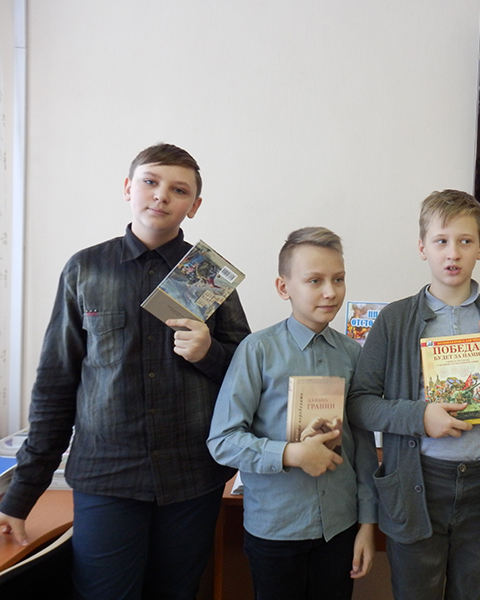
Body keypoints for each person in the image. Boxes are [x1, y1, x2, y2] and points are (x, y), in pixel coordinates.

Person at [0, 143, 251, 599]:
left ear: (194, 206)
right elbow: (55, 384)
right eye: (150, 182)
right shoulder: (85, 269)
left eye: (179, 190)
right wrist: (20, 495)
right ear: (127, 188)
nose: (161, 195)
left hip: (191, 477)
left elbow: (249, 376)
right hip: (106, 476)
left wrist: (210, 353)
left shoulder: (208, 275)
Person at [348, 190, 480, 600]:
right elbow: (359, 403)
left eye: (465, 241)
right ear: (422, 248)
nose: (453, 253)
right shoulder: (394, 320)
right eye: (441, 241)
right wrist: (419, 417)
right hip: (416, 484)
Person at [206, 227, 377, 600]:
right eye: (315, 281)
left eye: (338, 279)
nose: (330, 291)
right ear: (284, 288)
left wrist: (367, 524)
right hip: (276, 529)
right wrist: (290, 453)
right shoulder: (257, 351)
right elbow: (223, 440)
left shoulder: (353, 354)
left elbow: (362, 446)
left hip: (340, 527)